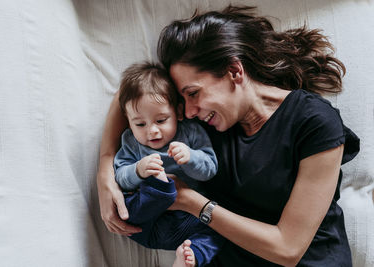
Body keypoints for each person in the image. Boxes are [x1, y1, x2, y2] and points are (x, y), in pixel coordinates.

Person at [97, 5, 360, 267]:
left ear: (234, 71)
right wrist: (105, 172)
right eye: (183, 98)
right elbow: (129, 94)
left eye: (193, 93)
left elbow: (288, 248)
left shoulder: (314, 122)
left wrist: (191, 202)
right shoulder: (204, 122)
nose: (188, 110)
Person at [113, 62, 224, 267]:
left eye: (161, 120)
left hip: (187, 219)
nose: (152, 131)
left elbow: (210, 169)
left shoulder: (190, 132)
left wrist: (191, 157)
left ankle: (190, 256)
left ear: (179, 113)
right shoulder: (130, 141)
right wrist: (137, 170)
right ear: (128, 123)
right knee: (125, 206)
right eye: (140, 124)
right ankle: (160, 187)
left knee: (219, 233)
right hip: (147, 221)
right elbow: (120, 177)